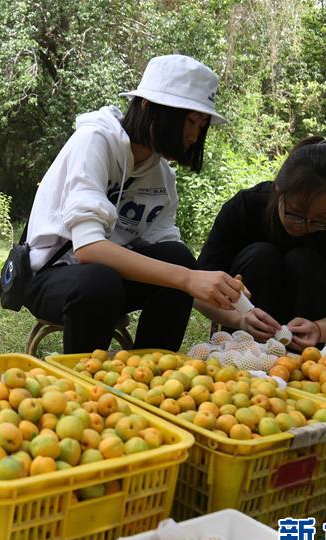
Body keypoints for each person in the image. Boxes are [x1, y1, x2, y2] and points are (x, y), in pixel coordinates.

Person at [21, 54, 242, 353]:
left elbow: (171, 261)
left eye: (202, 125)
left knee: (177, 257)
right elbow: (88, 248)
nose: (193, 135)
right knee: (99, 279)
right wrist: (188, 278)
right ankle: (86, 384)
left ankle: (152, 372)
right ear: (149, 107)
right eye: (190, 121)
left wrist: (240, 310)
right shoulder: (94, 140)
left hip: (108, 279)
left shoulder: (161, 175)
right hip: (52, 276)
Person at [196, 137, 326, 351]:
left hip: (304, 349)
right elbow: (199, 293)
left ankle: (299, 359)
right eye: (295, 214)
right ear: (279, 190)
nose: (303, 226)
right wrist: (239, 319)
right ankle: (242, 349)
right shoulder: (246, 207)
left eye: (320, 221)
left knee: (306, 262)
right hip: (242, 344)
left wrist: (320, 329)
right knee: (261, 254)